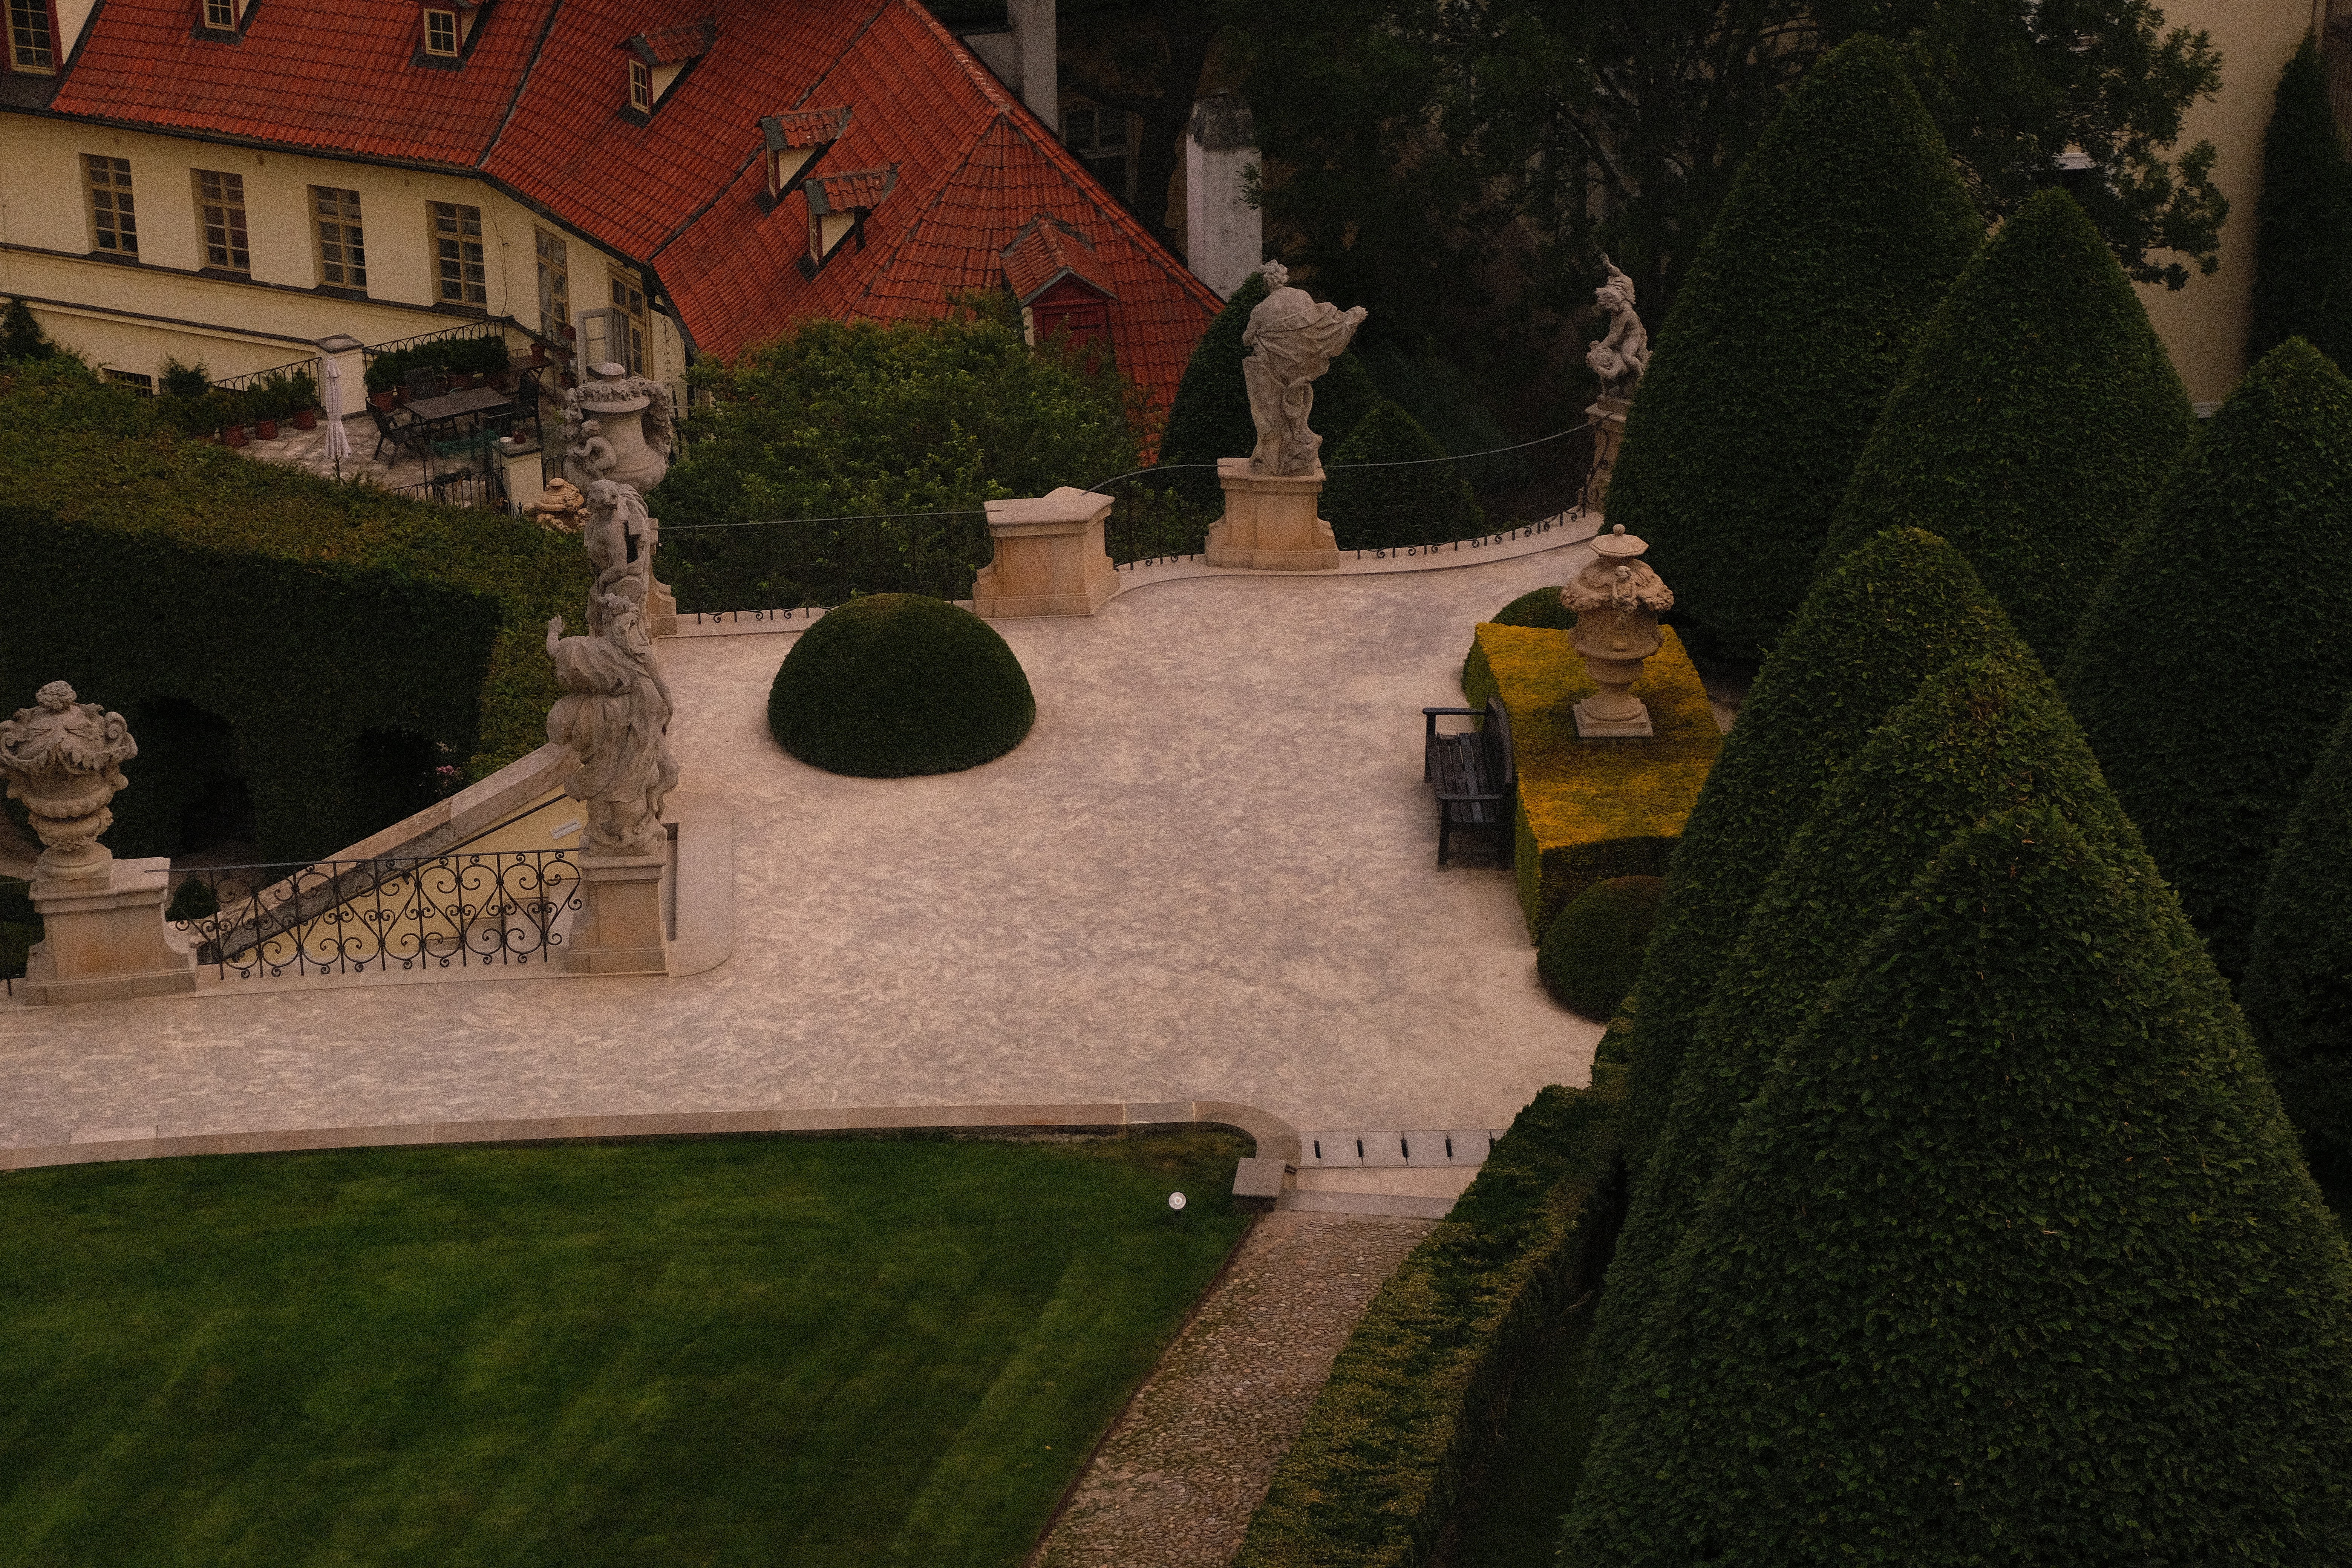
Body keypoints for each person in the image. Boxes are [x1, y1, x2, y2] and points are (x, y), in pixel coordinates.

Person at [1241, 261, 1368, 476]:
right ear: (1284, 278)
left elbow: (1246, 340)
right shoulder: (1301, 296)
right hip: (1300, 367)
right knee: (1298, 407)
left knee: (1274, 413)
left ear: (1265, 284)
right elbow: (1314, 328)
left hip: (1274, 370)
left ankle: (1277, 457)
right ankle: (1296, 451)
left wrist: (1262, 335)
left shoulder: (1261, 309)